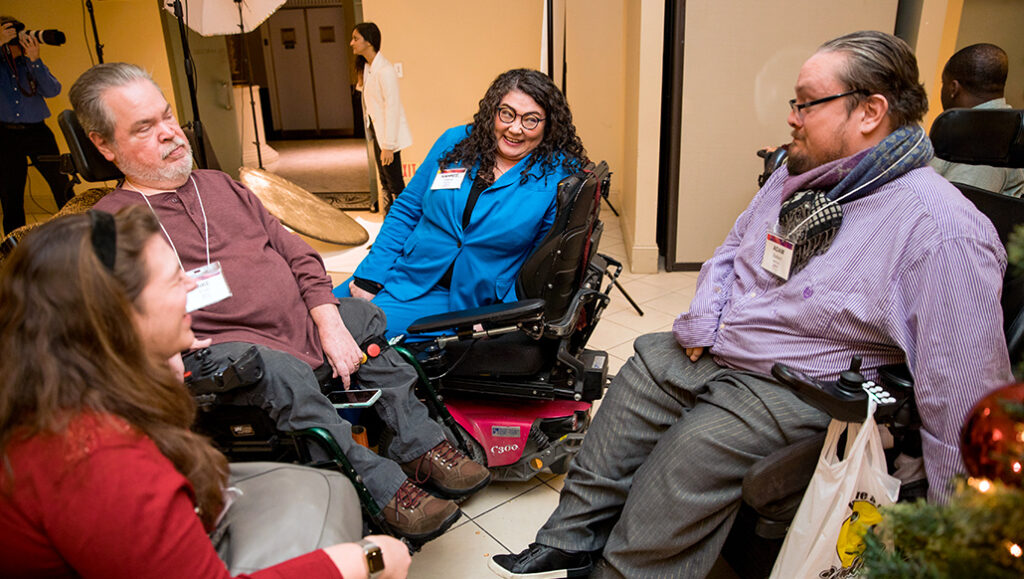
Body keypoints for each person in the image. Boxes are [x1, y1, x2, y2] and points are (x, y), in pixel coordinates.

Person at [490, 30, 1013, 578]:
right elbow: (733, 249)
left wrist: (956, 539)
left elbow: (966, 401)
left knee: (686, 460)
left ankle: (621, 570)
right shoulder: (796, 175)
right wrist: (703, 322)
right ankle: (571, 538)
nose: (792, 116)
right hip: (728, 343)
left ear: (870, 112)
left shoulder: (942, 230)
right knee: (640, 374)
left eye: (806, 102)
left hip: (802, 382)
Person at [69, 62, 490, 542]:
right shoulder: (108, 226)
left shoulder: (220, 185)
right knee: (275, 369)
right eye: (146, 128)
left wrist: (328, 320)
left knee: (365, 319)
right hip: (226, 355)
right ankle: (384, 489)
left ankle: (422, 446)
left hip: (298, 327)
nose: (170, 133)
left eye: (168, 116)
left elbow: (299, 256)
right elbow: (116, 324)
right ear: (103, 145)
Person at [0, 206, 411, 578]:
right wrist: (366, 559)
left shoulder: (49, 392)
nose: (192, 289)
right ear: (120, 319)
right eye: (173, 281)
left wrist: (155, 362)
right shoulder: (100, 461)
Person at [336, 68, 587, 337]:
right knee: (314, 313)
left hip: (468, 300)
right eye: (507, 113)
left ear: (549, 125)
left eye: (531, 120)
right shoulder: (456, 142)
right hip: (407, 269)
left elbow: (540, 260)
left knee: (345, 333)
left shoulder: (557, 175)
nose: (515, 128)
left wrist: (503, 314)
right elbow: (407, 209)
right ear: (493, 110)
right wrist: (371, 276)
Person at [0, 15, 72, 237]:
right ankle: (15, 251)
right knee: (11, 197)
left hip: (38, 132)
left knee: (62, 186)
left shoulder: (29, 63)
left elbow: (52, 91)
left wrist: (35, 60)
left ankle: (77, 235)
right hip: (5, 136)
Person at [930, 43, 1024, 198]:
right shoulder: (994, 127)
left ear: (953, 88)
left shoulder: (988, 139)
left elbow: (954, 206)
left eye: (943, 83)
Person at [350, 22, 411, 213]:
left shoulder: (385, 70)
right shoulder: (368, 68)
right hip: (377, 133)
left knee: (395, 186)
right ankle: (388, 231)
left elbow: (392, 109)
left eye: (355, 39)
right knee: (385, 183)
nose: (351, 43)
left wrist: (388, 146)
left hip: (387, 139)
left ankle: (402, 230)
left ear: (369, 41)